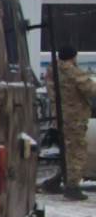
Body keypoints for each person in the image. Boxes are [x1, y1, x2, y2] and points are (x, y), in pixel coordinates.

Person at [41, 46, 96, 200]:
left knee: (67, 151)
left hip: (60, 116)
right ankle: (72, 188)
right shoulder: (71, 71)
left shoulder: (53, 71)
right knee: (76, 152)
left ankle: (54, 182)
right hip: (74, 118)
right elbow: (91, 88)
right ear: (72, 57)